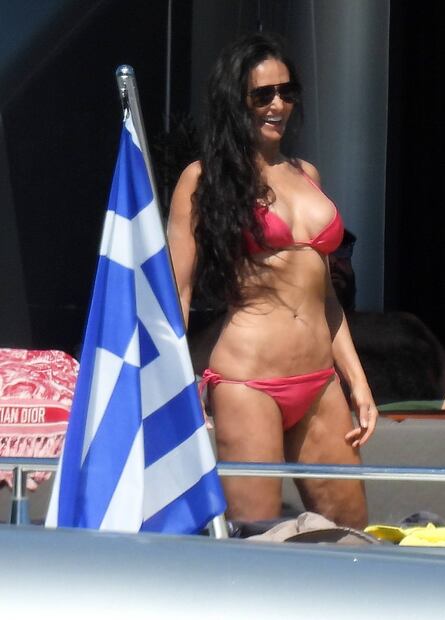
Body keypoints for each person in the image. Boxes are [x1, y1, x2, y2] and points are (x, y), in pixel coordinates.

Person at [167, 33, 377, 529]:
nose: (277, 105)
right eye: (263, 95)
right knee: (257, 541)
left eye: (287, 92)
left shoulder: (307, 174)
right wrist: (172, 391)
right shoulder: (203, 179)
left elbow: (325, 296)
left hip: (320, 383)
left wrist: (358, 381)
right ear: (235, 101)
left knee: (351, 538)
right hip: (248, 381)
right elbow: (177, 292)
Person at [329, 230, 445, 404]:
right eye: (322, 254)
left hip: (434, 416)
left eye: (342, 251)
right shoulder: (302, 337)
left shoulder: (406, 323)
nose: (333, 261)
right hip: (357, 417)